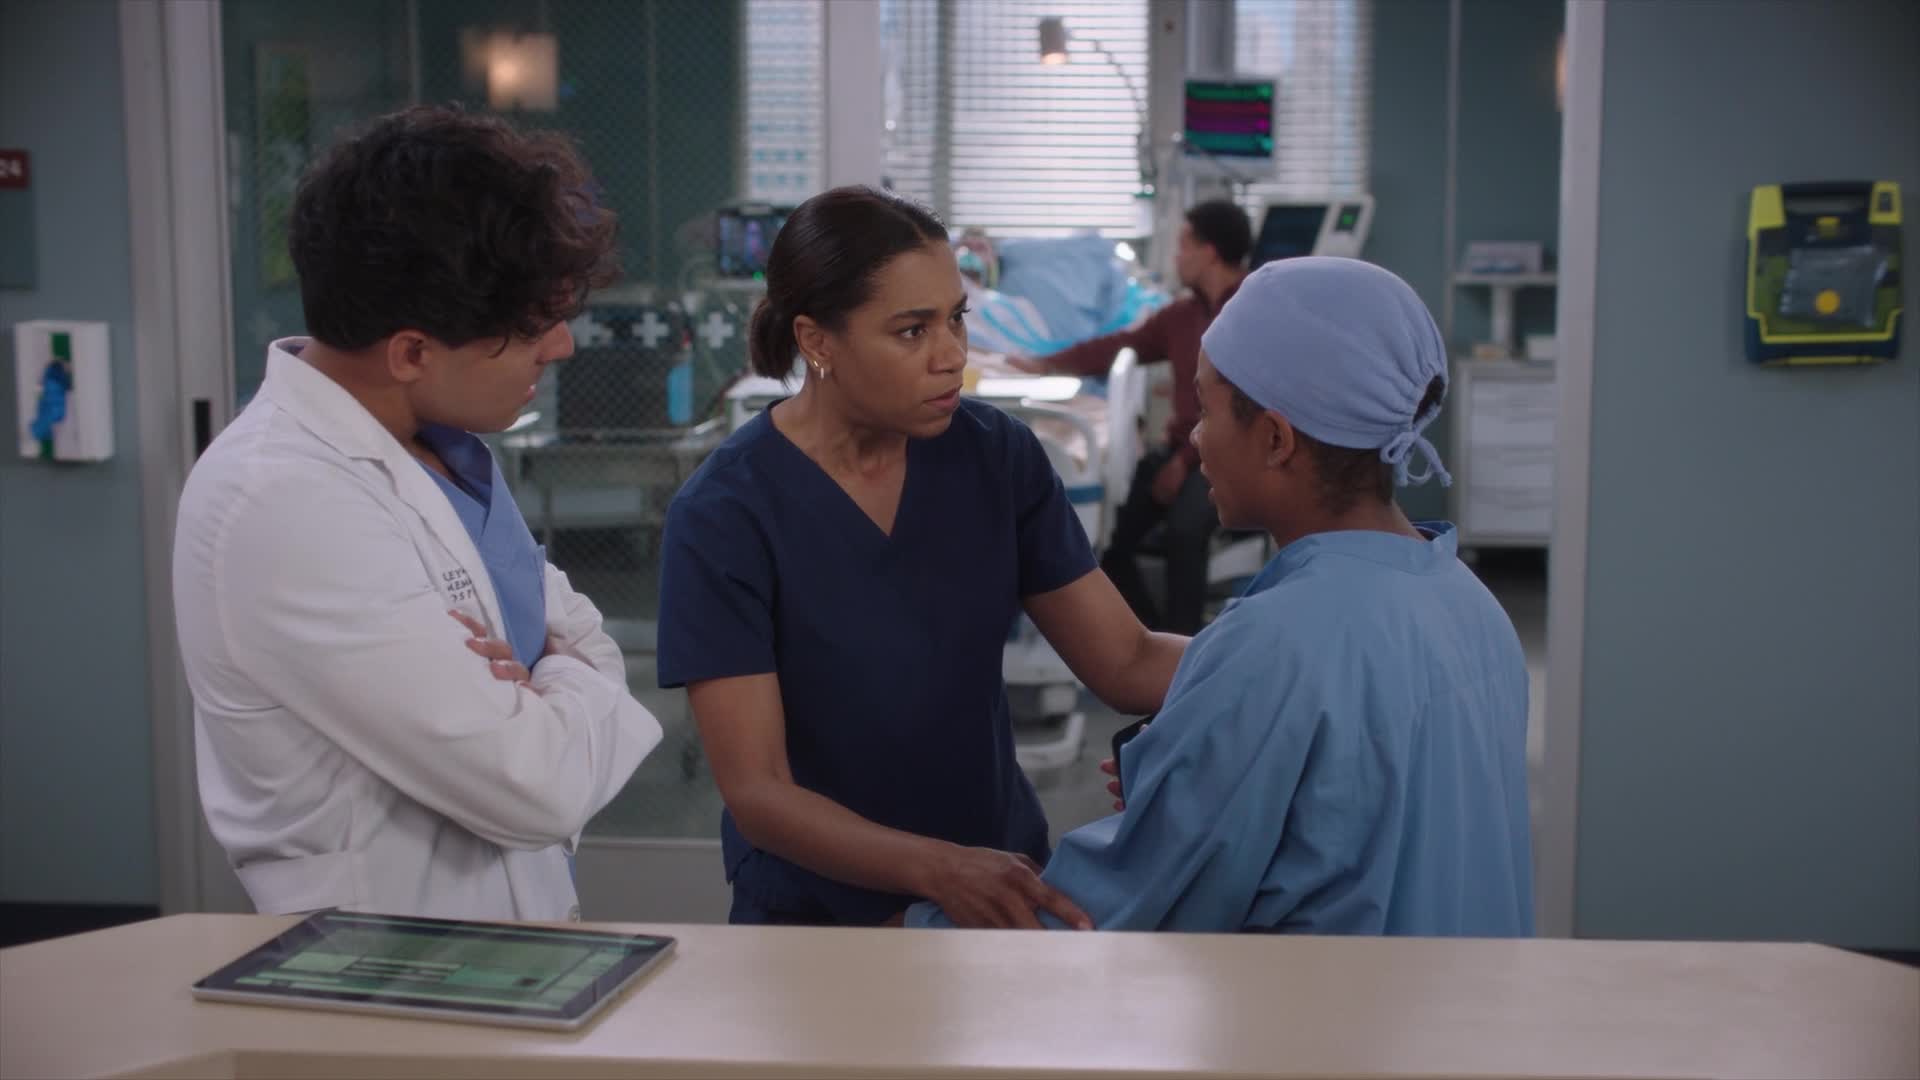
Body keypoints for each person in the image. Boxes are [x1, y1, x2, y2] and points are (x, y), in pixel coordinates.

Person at [911, 257, 1534, 935]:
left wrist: (907, 931)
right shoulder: (1470, 604)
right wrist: (1194, 756)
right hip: (1461, 996)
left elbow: (1114, 910)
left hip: (1334, 1006)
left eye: (1205, 410)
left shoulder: (1272, 650)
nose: (1196, 437)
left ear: (1274, 439)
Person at [172, 105, 663, 921]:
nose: (562, 347)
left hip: (520, 938)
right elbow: (535, 783)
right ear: (410, 352)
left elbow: (582, 631)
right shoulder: (282, 503)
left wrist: (553, 677)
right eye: (531, 329)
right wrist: (570, 675)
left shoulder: (440, 448)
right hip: (384, 959)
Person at [657, 186, 1188, 929]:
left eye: (956, 319)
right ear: (817, 342)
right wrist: (940, 869)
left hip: (993, 890)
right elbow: (760, 791)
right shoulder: (726, 515)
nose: (953, 356)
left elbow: (1125, 660)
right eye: (912, 331)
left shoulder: (997, 458)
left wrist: (1280, 658)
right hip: (820, 921)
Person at [1012, 200, 1253, 636]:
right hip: (1182, 449)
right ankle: (1154, 639)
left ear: (1209, 252)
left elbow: (1244, 408)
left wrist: (1183, 463)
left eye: (1183, 245)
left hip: (1231, 453)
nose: (1176, 257)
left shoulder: (1253, 312)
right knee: (1106, 538)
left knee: (1184, 531)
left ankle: (1187, 650)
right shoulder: (1182, 317)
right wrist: (1043, 365)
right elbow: (1117, 348)